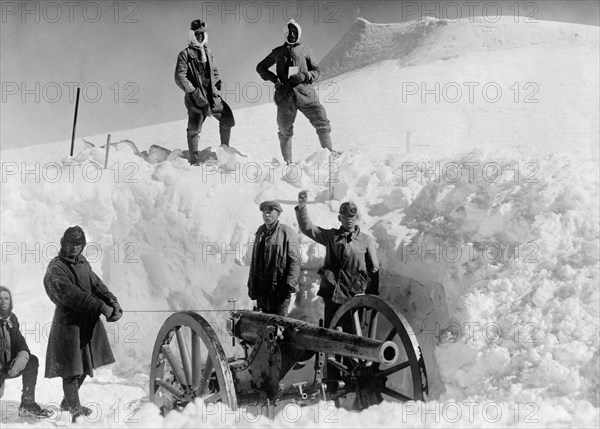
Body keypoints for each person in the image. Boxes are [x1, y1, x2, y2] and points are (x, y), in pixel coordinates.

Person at [43, 226, 123, 422]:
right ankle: (75, 410)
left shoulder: (83, 262)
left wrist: (112, 301)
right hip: (68, 325)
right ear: (63, 243)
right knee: (71, 369)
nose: (74, 249)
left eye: (78, 245)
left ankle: (67, 402)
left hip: (88, 322)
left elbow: (96, 285)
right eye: (70, 244)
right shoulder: (56, 268)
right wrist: (101, 308)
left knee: (86, 364)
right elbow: (71, 295)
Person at [256, 19, 336, 165]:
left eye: (295, 31)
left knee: (321, 120)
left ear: (298, 34)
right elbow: (261, 67)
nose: (292, 34)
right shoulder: (278, 52)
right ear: (285, 33)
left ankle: (329, 154)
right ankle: (288, 164)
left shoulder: (306, 50)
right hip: (285, 97)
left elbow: (317, 71)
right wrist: (274, 79)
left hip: (306, 94)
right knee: (284, 130)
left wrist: (304, 76)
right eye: (289, 31)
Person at [295, 191, 379, 327]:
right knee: (332, 331)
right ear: (340, 218)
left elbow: (374, 269)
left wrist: (371, 295)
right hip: (332, 294)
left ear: (357, 218)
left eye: (352, 216)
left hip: (355, 296)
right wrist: (302, 206)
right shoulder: (331, 237)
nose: (348, 219)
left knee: (353, 334)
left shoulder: (366, 241)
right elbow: (307, 228)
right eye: (345, 216)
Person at [175, 19, 235, 166]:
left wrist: (217, 82)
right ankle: (194, 160)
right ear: (192, 35)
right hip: (196, 99)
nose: (200, 37)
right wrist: (193, 92)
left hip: (212, 97)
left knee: (228, 119)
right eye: (197, 34)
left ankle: (224, 151)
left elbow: (214, 70)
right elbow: (179, 76)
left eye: (202, 34)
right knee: (194, 130)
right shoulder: (185, 54)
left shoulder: (208, 52)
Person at [0, 286, 53, 418]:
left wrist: (21, 359)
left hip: (10, 366)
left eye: (6, 298)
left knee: (32, 361)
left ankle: (27, 405)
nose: (3, 301)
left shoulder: (12, 319)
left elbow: (20, 342)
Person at [247, 201, 300, 316]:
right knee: (263, 327)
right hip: (262, 291)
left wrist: (289, 285)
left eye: (270, 212)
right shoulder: (260, 232)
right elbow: (255, 262)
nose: (266, 215)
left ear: (278, 214)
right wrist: (252, 285)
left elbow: (294, 262)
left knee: (279, 327)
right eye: (264, 212)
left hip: (279, 292)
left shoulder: (287, 233)